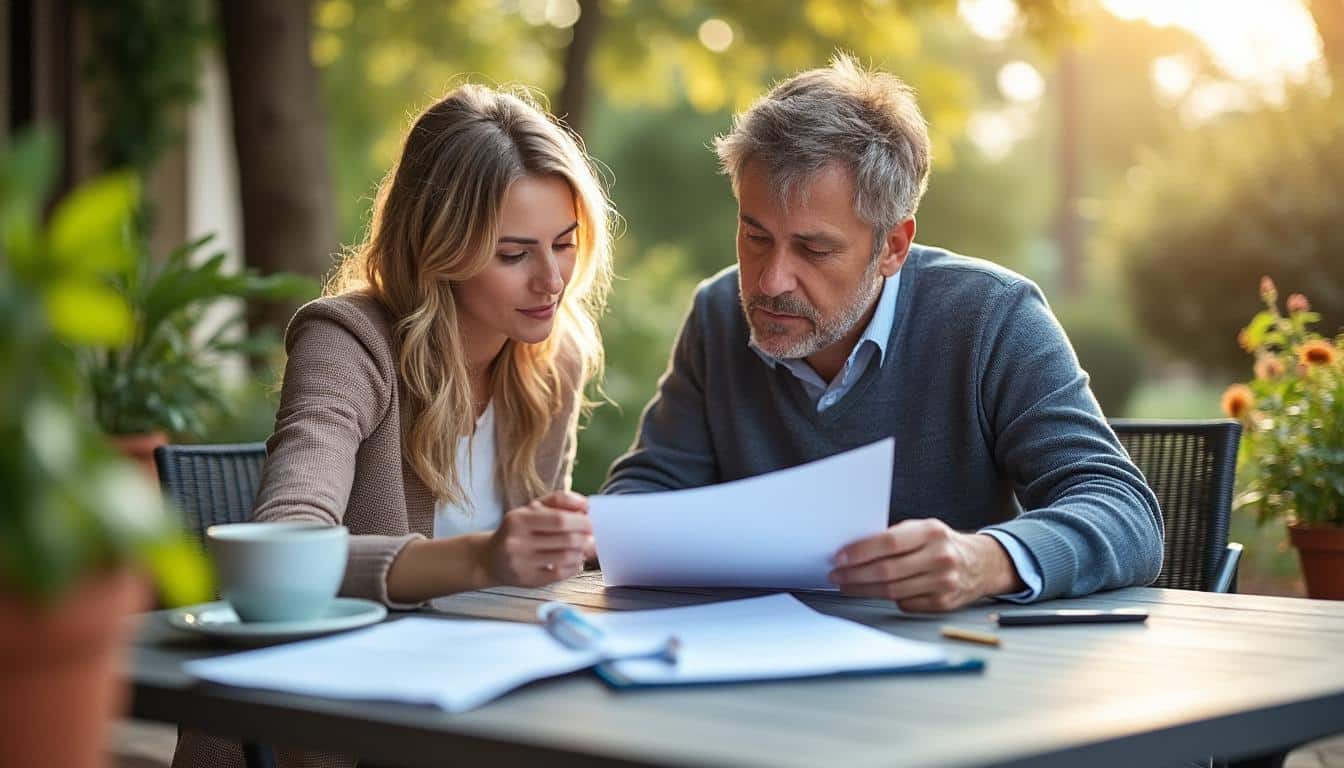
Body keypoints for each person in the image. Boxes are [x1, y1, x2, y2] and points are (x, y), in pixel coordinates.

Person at [603, 55, 1163, 612]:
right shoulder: (719, 311)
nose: (771, 281)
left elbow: (1124, 512)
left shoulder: (992, 317)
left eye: (814, 249)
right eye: (755, 237)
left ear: (892, 246)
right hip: (753, 660)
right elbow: (650, 488)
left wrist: (984, 560)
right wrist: (589, 529)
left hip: (953, 668)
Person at [173, 83, 613, 768]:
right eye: (513, 253)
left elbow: (532, 582)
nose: (552, 279)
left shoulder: (553, 361)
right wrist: (480, 559)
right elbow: (286, 554)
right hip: (343, 726)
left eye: (564, 242)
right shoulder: (348, 344)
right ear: (440, 248)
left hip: (488, 705)